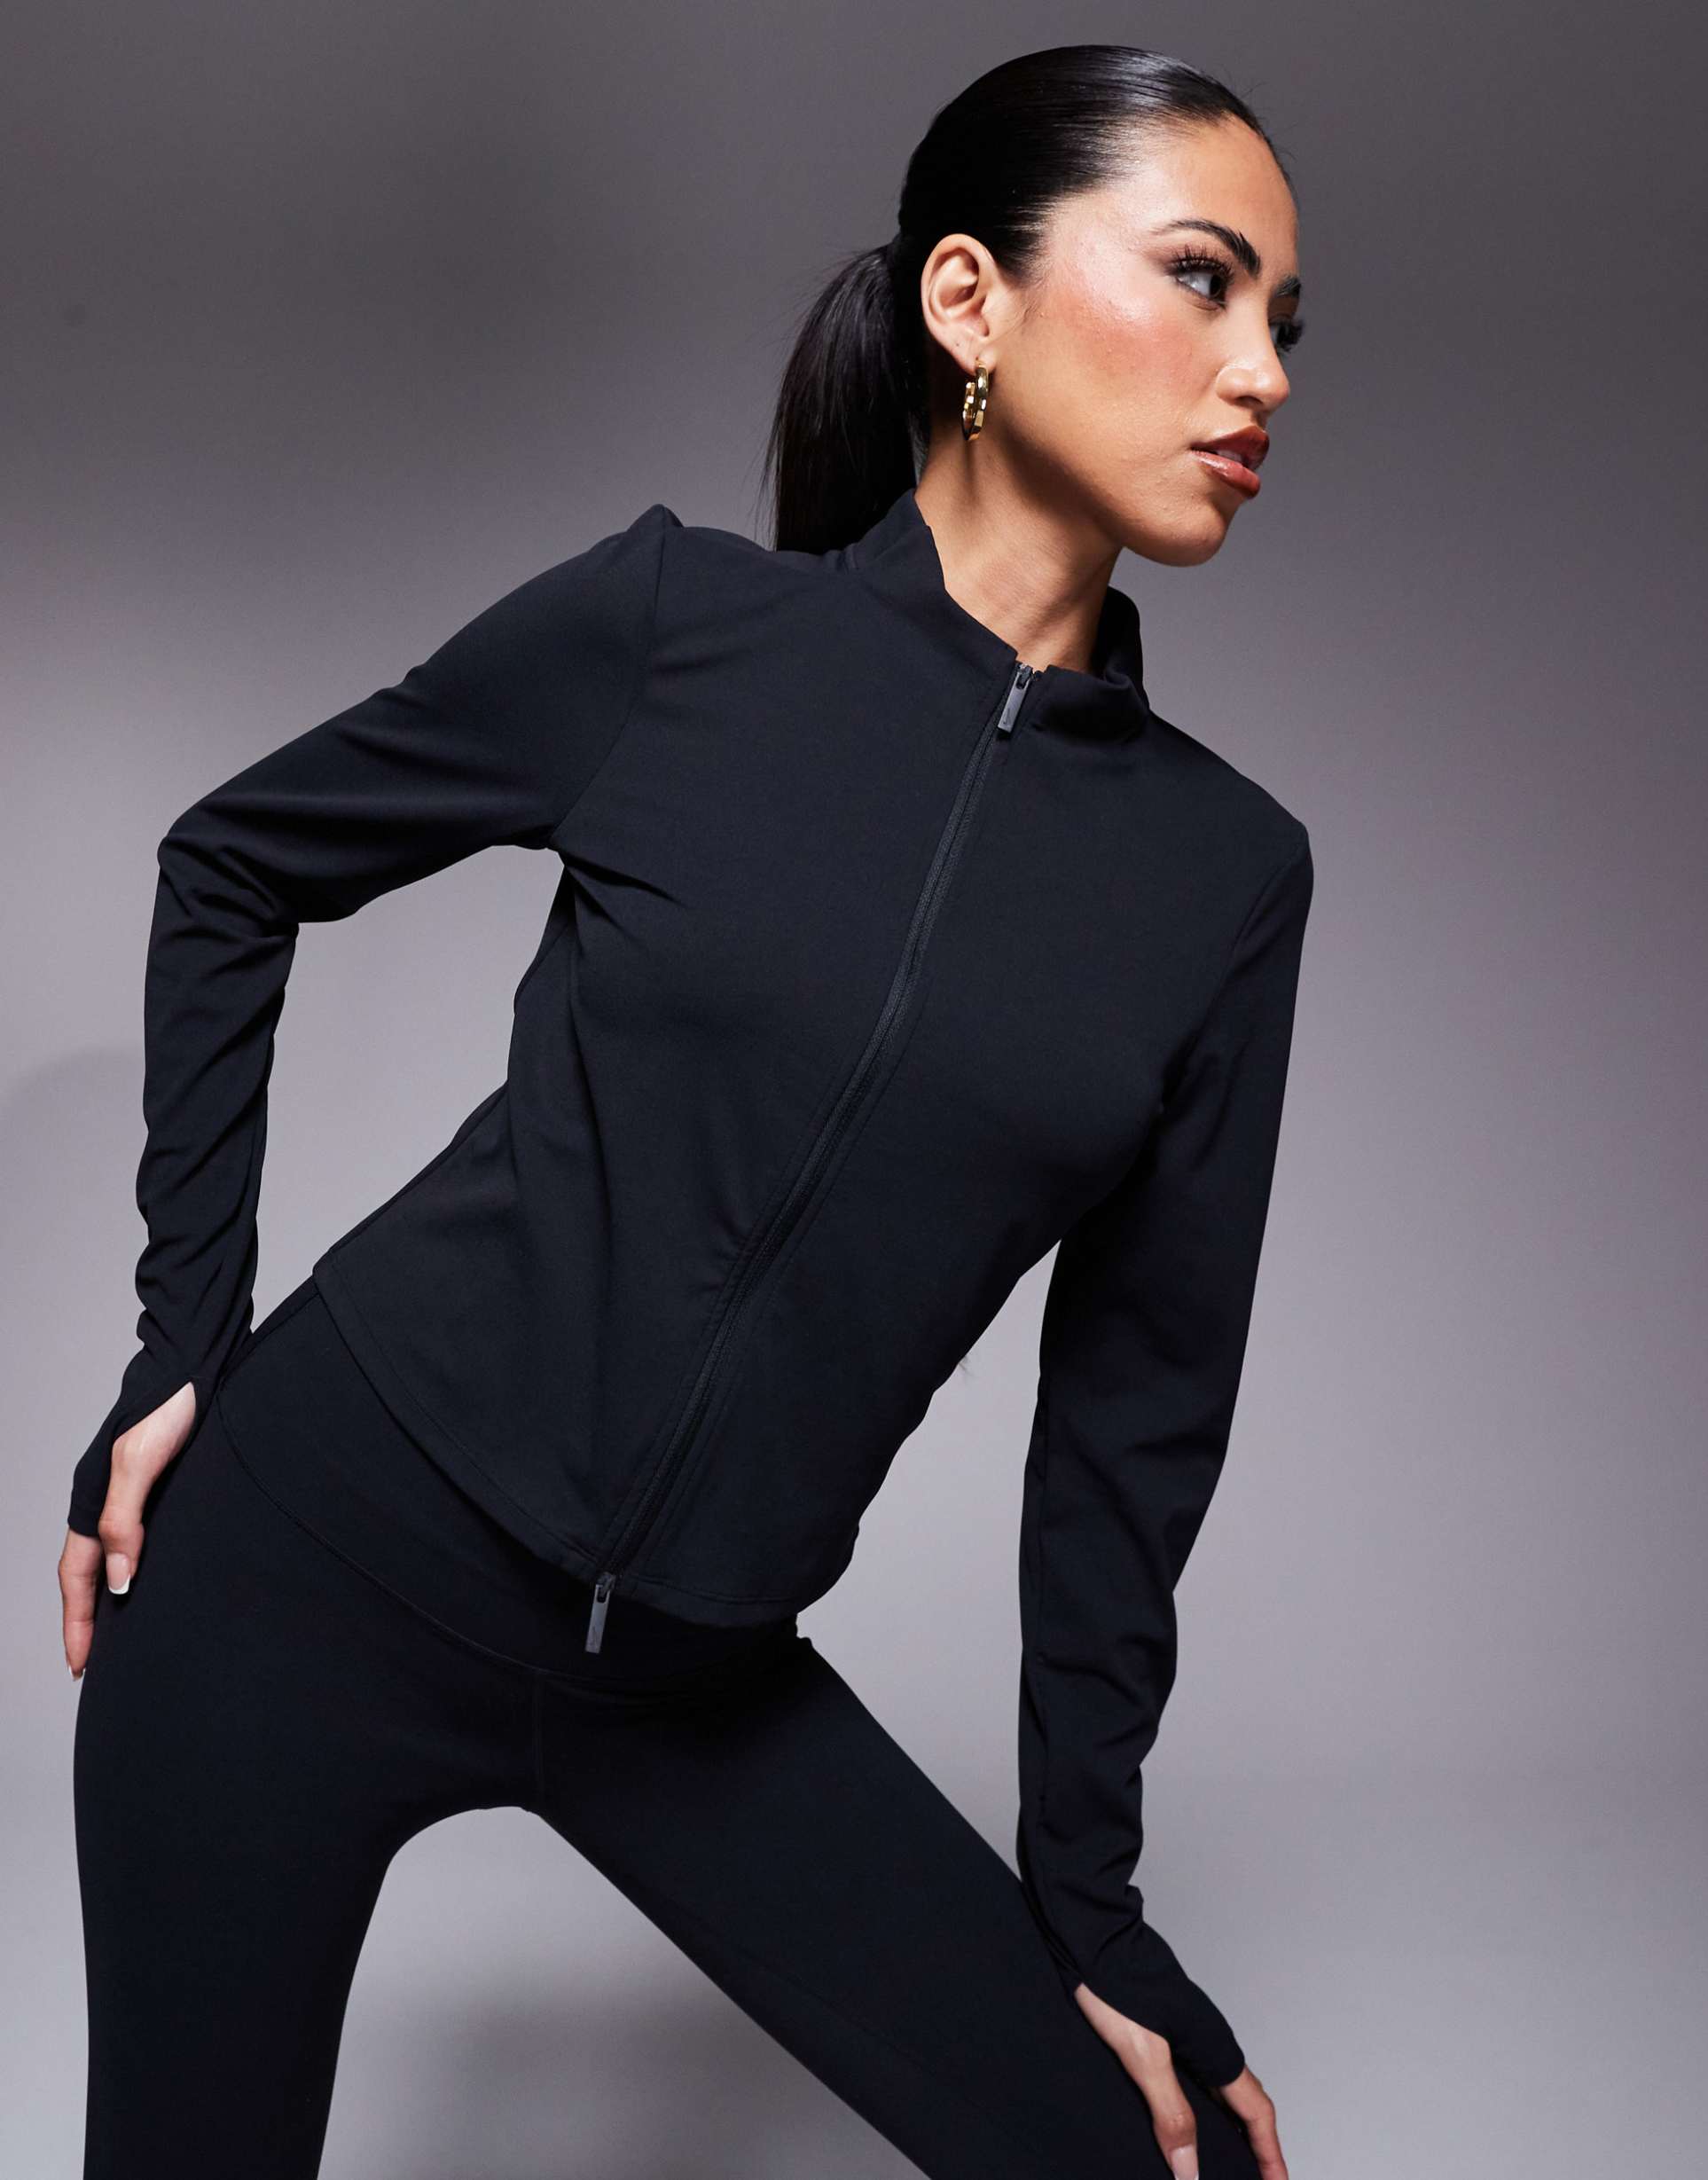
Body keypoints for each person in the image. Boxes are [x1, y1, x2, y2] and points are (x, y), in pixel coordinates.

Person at [61, 43, 1313, 2180]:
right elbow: (234, 861)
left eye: (1285, 319)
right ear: (971, 300)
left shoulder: (1221, 877)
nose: (1262, 369)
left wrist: (1087, 1903)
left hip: (693, 1683)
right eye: (1204, 280)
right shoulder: (681, 631)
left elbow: (1134, 1429)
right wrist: (187, 1330)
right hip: (308, 1561)